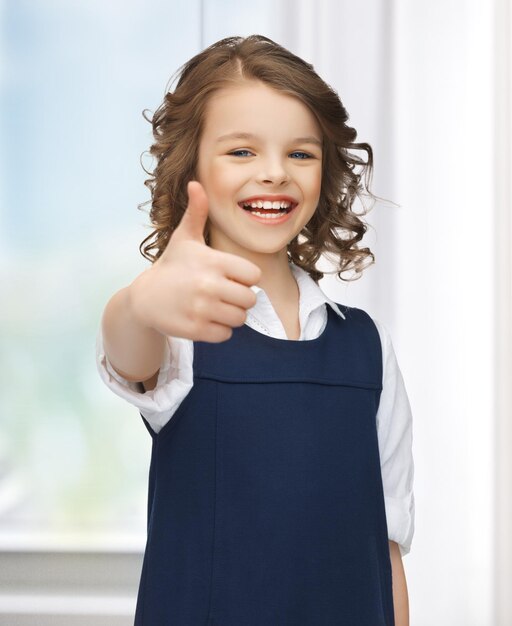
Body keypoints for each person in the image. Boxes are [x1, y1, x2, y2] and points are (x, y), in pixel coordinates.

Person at [96, 34, 414, 626]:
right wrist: (140, 302)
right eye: (241, 152)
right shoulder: (175, 328)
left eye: (301, 153)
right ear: (190, 167)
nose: (274, 173)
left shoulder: (368, 348)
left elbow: (386, 545)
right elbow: (127, 351)